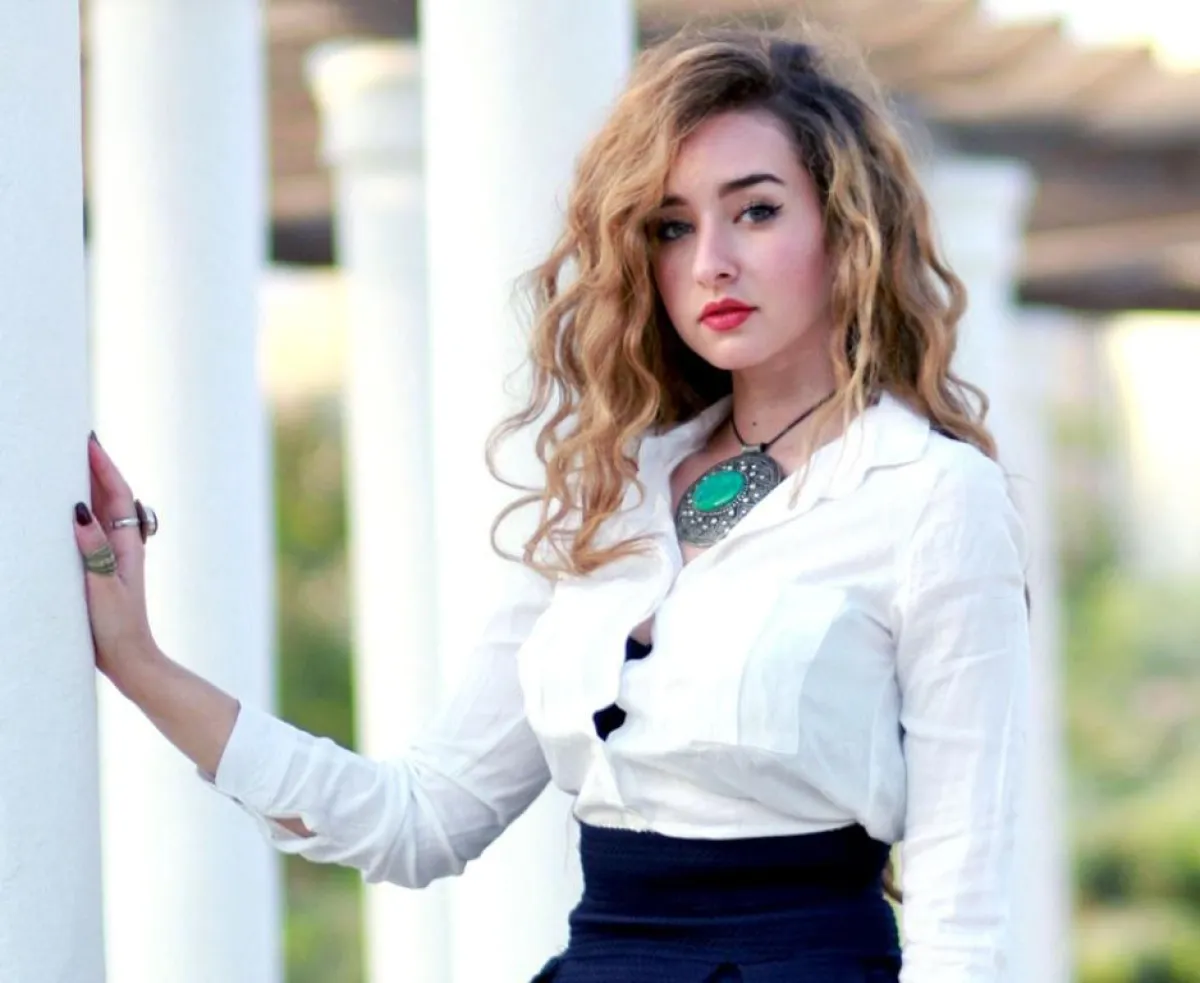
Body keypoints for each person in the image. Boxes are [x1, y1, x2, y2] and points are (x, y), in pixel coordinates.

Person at [73, 24, 1030, 983]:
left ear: (846, 229)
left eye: (756, 211)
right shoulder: (613, 496)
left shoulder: (932, 497)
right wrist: (140, 662)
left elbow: (962, 924)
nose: (711, 262)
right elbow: (419, 817)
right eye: (672, 227)